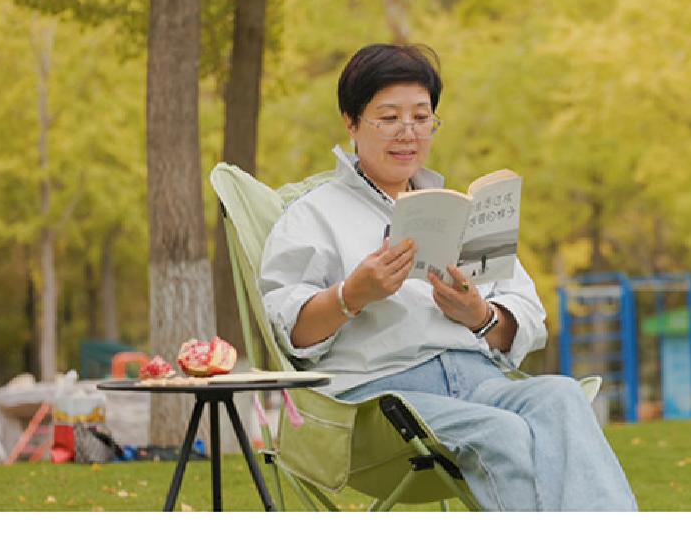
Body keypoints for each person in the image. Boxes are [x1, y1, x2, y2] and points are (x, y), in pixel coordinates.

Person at [257, 43, 636, 511]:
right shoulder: (313, 215)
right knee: (502, 432)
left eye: (421, 117)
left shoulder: (459, 212)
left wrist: (480, 316)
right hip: (382, 403)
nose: (408, 132)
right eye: (389, 118)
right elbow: (287, 330)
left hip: (480, 382)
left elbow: (526, 315)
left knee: (561, 395)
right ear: (351, 122)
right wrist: (352, 295)